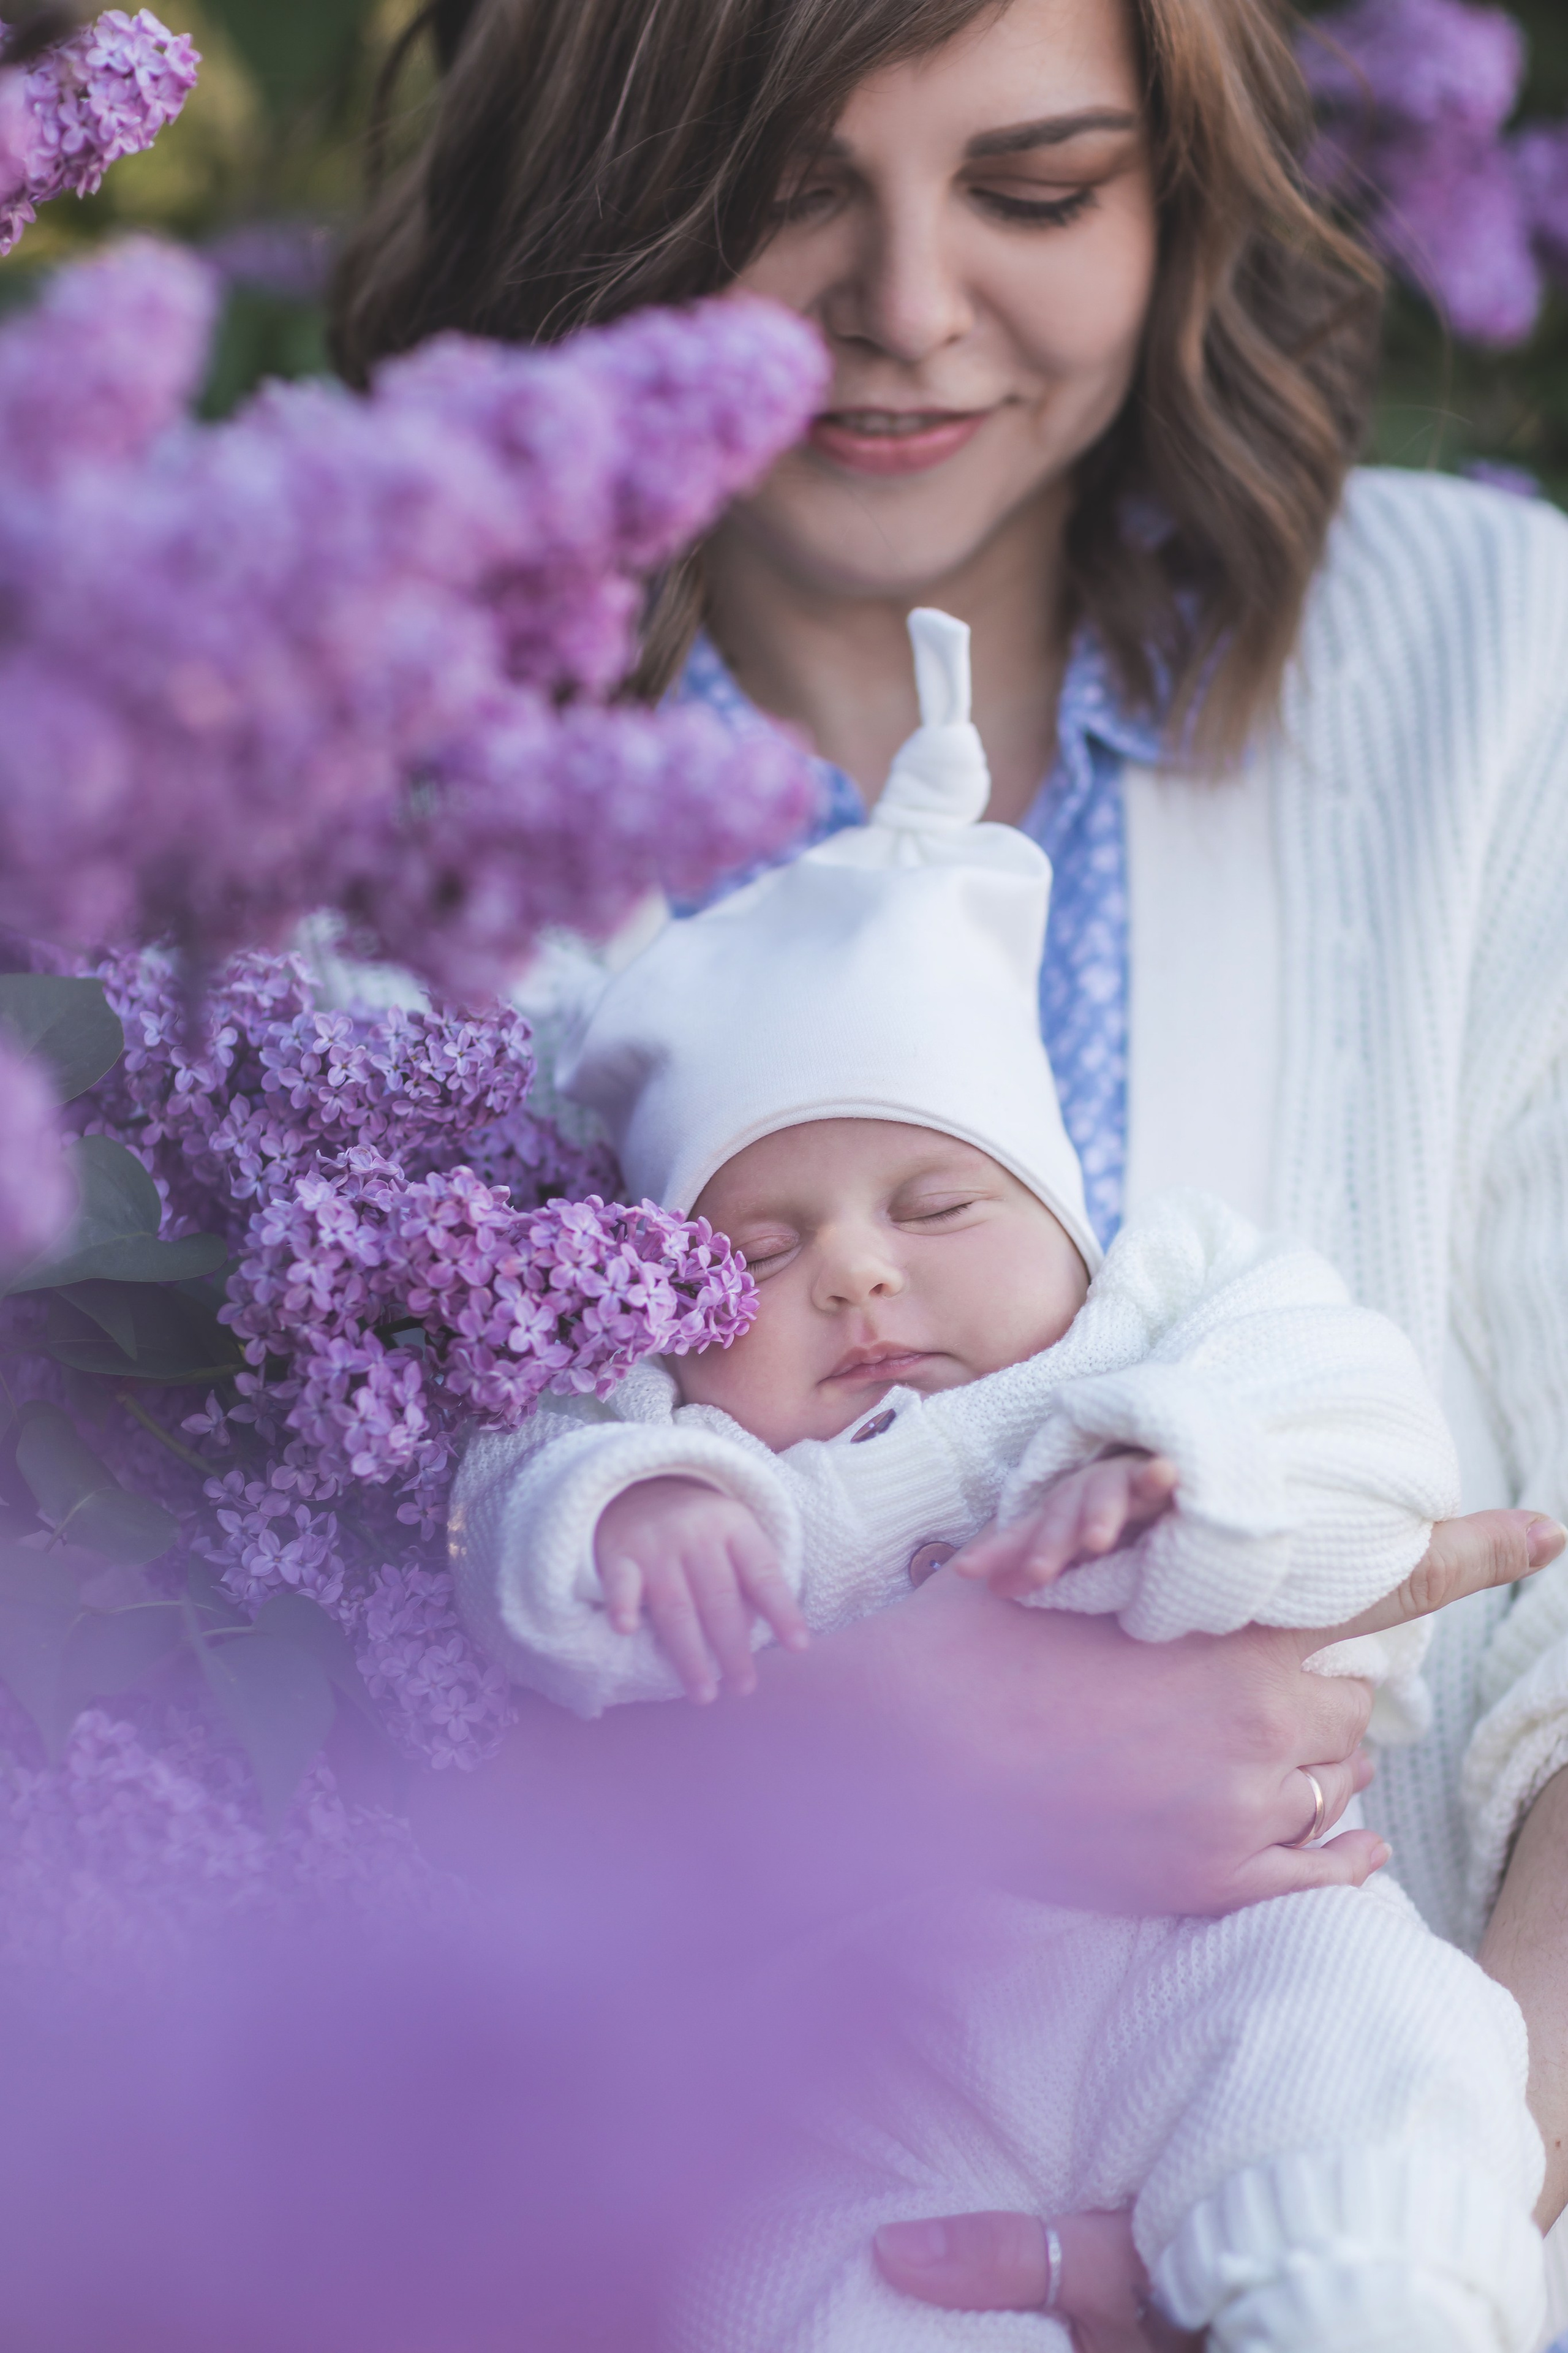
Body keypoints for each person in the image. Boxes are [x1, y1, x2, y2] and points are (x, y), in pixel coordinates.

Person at [336, 0, 1568, 2335]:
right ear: (598, 176)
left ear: (1178, 186)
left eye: (1035, 189)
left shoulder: (1500, 679)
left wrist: (1423, 2196)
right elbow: (242, 1777)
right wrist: (845, 1753)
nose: (905, 306)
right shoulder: (349, 837)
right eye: (785, 189)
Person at [451, 610, 1544, 2349]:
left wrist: (1187, 1466)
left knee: (1374, 2032)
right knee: (758, 2247)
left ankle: (1360, 2300)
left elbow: (1363, 1438)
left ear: (1065, 1216)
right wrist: (624, 1507)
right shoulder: (711, 1458)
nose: (858, 1271)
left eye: (938, 1204)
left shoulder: (1164, 1316)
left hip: (1211, 1950)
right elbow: (515, 1526)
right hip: (865, 2033)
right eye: (760, 1251)